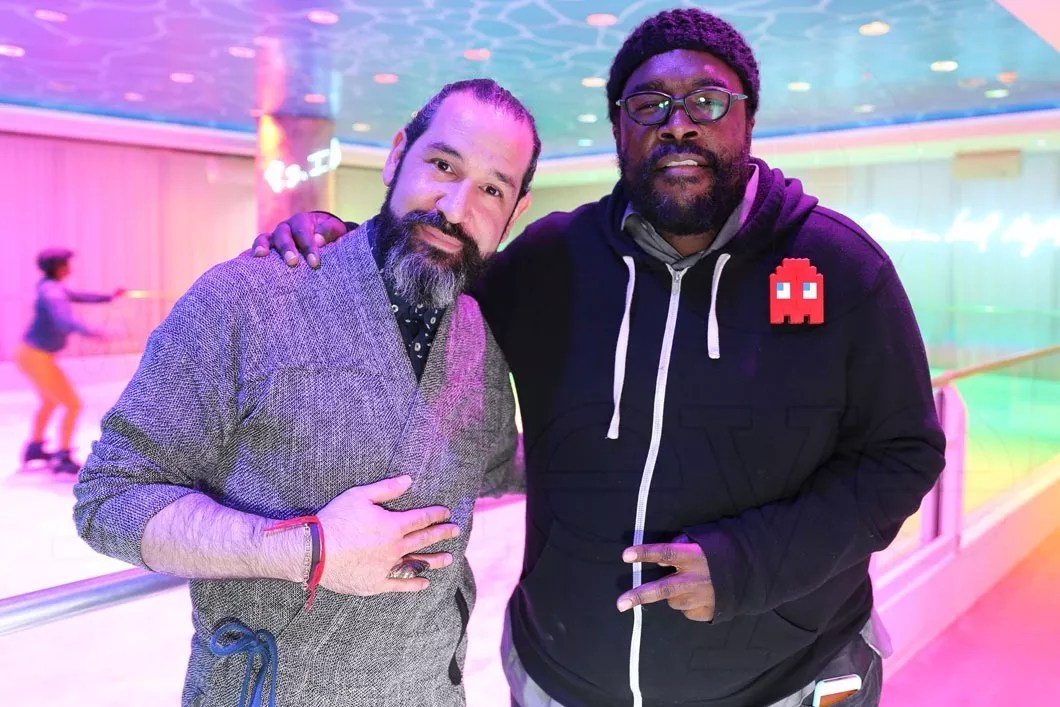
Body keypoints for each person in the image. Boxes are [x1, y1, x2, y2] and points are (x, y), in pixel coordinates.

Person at [258, 9, 946, 707]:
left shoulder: (838, 266)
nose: (679, 124)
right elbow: (432, 285)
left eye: (707, 101)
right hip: (562, 677)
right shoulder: (552, 261)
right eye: (650, 104)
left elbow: (903, 455)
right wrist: (344, 240)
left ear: (747, 119)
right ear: (619, 127)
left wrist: (750, 564)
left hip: (783, 681)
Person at [73, 78, 539, 707]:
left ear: (517, 210)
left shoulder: (476, 334)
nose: (455, 209)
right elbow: (111, 498)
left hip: (431, 691)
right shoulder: (247, 300)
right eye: (442, 165)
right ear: (397, 156)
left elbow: (496, 464)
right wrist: (310, 549)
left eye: (491, 189)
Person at [17, 248, 124, 474]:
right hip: (36, 356)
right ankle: (63, 455)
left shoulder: (50, 286)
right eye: (66, 264)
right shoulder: (52, 292)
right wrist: (94, 332)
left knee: (50, 402)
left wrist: (109, 297)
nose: (69, 268)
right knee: (72, 404)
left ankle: (35, 447)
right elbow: (64, 321)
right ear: (57, 267)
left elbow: (78, 296)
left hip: (31, 354)